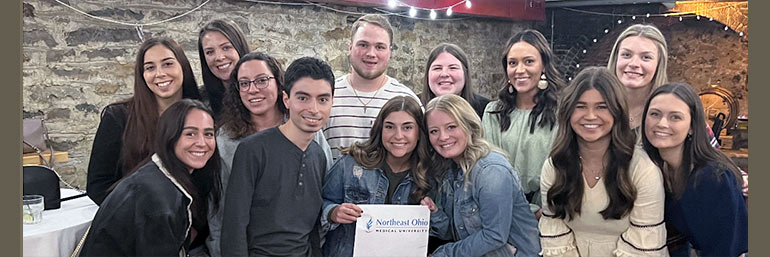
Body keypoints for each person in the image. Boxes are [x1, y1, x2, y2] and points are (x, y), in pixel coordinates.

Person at [206, 51, 333, 256]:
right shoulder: (250, 149)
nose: (313, 109)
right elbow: (234, 224)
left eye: (323, 99)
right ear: (287, 99)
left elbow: (312, 228)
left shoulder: (318, 153)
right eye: (303, 98)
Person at [538, 67, 667, 256]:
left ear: (617, 112)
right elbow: (553, 228)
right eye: (580, 106)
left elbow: (645, 242)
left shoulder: (642, 169)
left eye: (602, 107)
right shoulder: (555, 165)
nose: (590, 116)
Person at [79, 99, 221, 256]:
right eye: (190, 134)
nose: (202, 143)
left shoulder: (157, 177)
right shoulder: (157, 198)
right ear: (169, 136)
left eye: (208, 134)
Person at [420, 94, 540, 257]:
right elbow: (457, 232)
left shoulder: (490, 170)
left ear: (469, 125)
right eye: (434, 131)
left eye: (451, 127)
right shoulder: (450, 169)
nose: (443, 137)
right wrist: (434, 213)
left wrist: (443, 253)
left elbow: (494, 236)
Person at [86, 37, 201, 205]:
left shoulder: (201, 115)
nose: (160, 73)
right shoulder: (118, 117)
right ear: (142, 75)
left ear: (183, 66)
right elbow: (98, 185)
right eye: (150, 67)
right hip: (137, 222)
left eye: (168, 64)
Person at [642, 83, 747, 256]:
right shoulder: (658, 168)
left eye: (675, 117)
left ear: (692, 126)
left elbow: (727, 250)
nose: (661, 123)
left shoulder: (712, 177)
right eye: (655, 114)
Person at [321, 96, 430, 256]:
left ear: (419, 133)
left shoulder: (429, 173)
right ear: (380, 129)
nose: (398, 135)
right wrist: (333, 212)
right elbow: (319, 203)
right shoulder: (351, 163)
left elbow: (443, 230)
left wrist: (433, 212)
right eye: (390, 127)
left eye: (407, 128)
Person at [482, 29, 565, 218]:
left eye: (528, 61)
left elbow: (563, 169)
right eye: (513, 63)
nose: (519, 70)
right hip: (501, 211)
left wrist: (541, 211)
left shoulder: (561, 114)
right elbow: (490, 170)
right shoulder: (493, 112)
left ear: (543, 65)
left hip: (549, 213)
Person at [323, 13, 421, 160]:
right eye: (363, 45)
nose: (371, 53)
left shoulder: (406, 99)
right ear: (350, 47)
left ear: (390, 52)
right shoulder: (326, 95)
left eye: (380, 47)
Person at [420, 43, 489, 118]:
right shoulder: (414, 110)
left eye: (453, 68)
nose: (444, 74)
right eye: (437, 68)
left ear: (465, 73)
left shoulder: (487, 112)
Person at [198, 19, 250, 117]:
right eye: (210, 52)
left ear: (239, 47)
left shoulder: (262, 92)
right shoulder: (202, 102)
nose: (219, 57)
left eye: (226, 48)